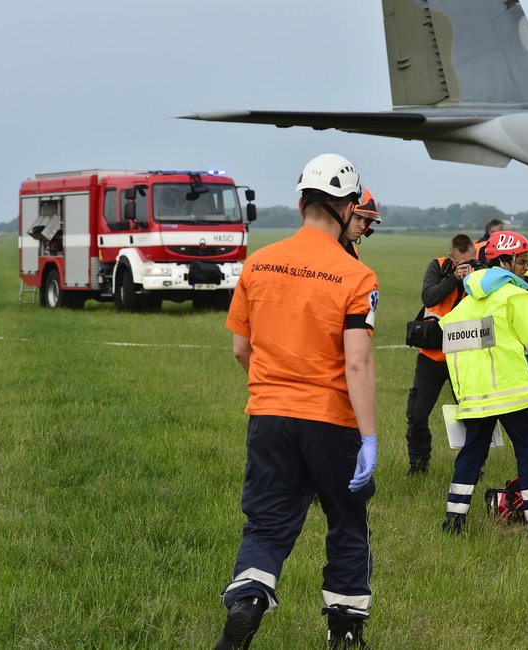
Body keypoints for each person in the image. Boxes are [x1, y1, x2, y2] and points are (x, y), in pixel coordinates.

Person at [216, 153, 379, 650]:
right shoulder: (357, 276)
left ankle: (247, 599)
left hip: (268, 417)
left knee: (266, 522)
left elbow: (241, 347)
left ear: (302, 200)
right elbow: (357, 363)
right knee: (347, 522)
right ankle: (345, 630)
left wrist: (272, 387)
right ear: (347, 206)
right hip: (330, 422)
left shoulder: (257, 264)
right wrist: (369, 437)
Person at [438, 230, 528, 537]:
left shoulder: (463, 306)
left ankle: (453, 522)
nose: (526, 268)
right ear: (506, 261)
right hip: (513, 395)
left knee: (470, 457)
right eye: (523, 262)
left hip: (476, 398)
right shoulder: (518, 297)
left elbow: (454, 354)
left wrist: (464, 395)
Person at [404, 234, 480, 476]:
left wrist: (473, 279)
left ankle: (473, 466)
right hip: (433, 355)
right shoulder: (437, 267)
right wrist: (453, 279)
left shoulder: (483, 271)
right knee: (417, 414)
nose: (465, 267)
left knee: (473, 414)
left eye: (469, 261)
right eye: (460, 263)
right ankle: (418, 465)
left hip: (465, 356)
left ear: (475, 256)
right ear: (451, 258)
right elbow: (429, 296)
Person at [340, 187, 381, 259]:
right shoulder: (326, 249)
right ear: (343, 214)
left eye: (365, 221)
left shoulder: (353, 251)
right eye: (358, 218)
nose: (362, 226)